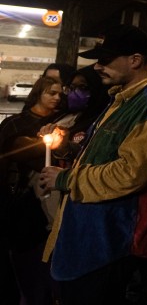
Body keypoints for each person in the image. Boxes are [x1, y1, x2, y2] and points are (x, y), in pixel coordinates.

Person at [38, 24, 147, 305]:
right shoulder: (123, 98)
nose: (98, 67)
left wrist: (66, 179)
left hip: (105, 245)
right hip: (88, 241)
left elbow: (131, 172)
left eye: (106, 59)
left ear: (135, 60)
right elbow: (106, 154)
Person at [0, 75, 63, 304]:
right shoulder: (16, 123)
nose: (57, 98)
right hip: (18, 202)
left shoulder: (61, 123)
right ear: (39, 93)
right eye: (51, 93)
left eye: (60, 94)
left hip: (45, 205)